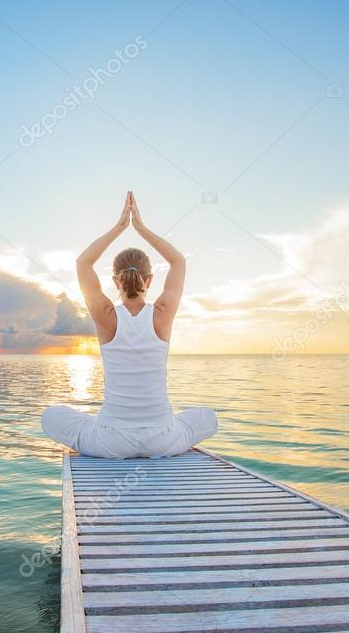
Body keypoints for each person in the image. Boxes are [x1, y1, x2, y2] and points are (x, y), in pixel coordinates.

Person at [41, 191, 219, 458]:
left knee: (50, 416)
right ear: (149, 280)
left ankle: (98, 427)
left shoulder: (107, 316)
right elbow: (178, 262)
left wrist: (120, 227)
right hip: (162, 439)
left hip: (111, 441)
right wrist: (140, 228)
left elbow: (83, 263)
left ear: (116, 282)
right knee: (208, 417)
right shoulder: (162, 313)